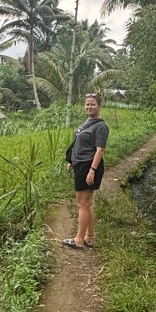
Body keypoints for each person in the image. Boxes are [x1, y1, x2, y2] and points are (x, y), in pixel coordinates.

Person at [63, 92, 109, 250]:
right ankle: (89, 237)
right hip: (81, 164)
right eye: (87, 104)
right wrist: (72, 161)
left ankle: (78, 240)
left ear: (99, 106)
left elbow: (99, 150)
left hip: (88, 165)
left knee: (82, 204)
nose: (89, 107)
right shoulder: (88, 122)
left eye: (92, 104)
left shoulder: (101, 126)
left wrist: (92, 170)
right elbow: (80, 144)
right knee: (87, 204)